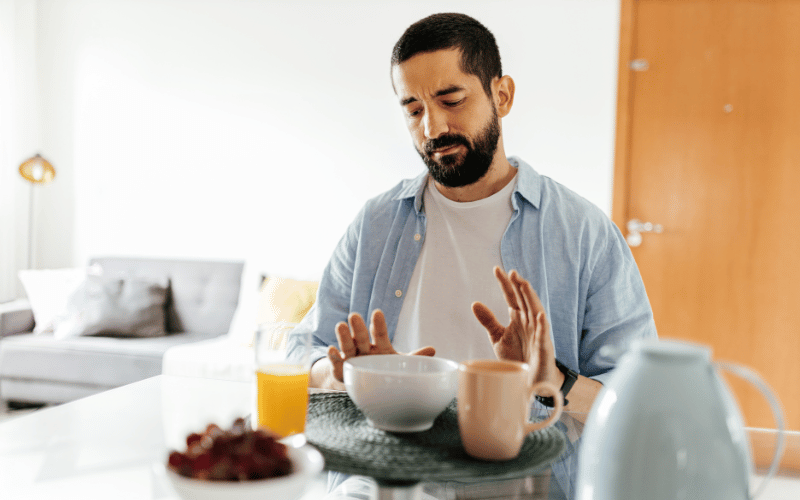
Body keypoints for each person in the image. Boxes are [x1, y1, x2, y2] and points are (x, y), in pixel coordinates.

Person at [286, 12, 657, 415]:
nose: (432, 127)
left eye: (452, 100)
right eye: (413, 110)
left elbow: (639, 402)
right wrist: (348, 374)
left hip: (530, 477)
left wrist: (550, 377)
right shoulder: (375, 223)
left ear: (502, 95)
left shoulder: (584, 232)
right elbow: (300, 352)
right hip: (391, 472)